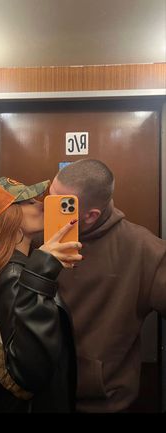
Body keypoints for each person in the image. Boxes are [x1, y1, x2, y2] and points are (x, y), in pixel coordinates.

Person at [0, 176, 82, 413]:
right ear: (9, 217)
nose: (41, 203)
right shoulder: (13, 274)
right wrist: (41, 273)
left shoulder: (10, 268)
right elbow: (31, 371)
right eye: (29, 201)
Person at [49, 158, 166, 413]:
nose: (50, 211)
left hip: (101, 402)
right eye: (50, 199)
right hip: (40, 397)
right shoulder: (39, 239)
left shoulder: (143, 249)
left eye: (62, 205)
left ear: (90, 216)